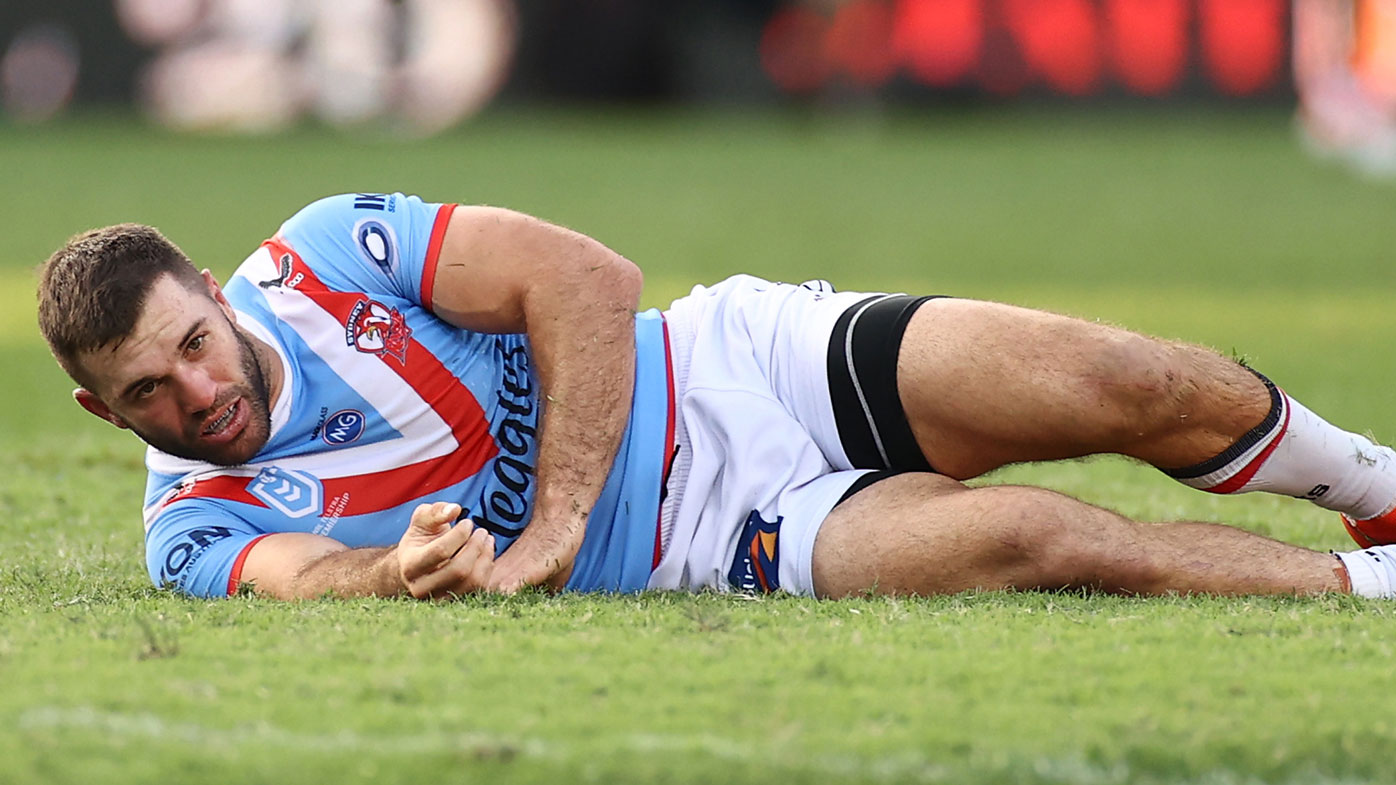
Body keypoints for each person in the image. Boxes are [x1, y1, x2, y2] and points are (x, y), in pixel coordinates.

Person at [34, 192, 1396, 602]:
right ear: (105, 415)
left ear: (217, 292)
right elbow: (301, 576)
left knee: (1120, 380)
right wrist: (391, 574)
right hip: (720, 545)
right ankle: (1367, 599)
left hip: (735, 362)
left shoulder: (334, 253)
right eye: (148, 392)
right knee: (1047, 542)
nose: (196, 394)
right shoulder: (188, 528)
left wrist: (557, 514)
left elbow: (584, 276)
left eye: (195, 345)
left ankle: (1375, 489)